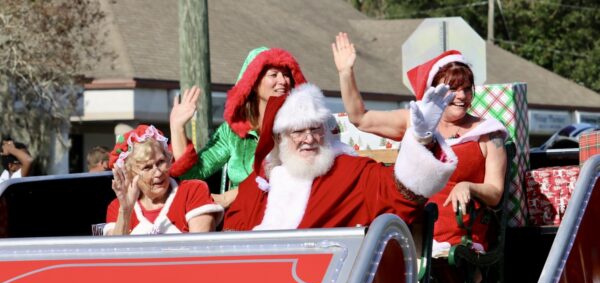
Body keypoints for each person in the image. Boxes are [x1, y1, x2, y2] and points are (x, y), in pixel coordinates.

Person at [331, 32, 507, 255]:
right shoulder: (415, 121)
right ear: (433, 90)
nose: (462, 96)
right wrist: (346, 72)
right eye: (452, 89)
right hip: (411, 226)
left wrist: (469, 186)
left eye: (467, 88)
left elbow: (495, 192)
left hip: (460, 236)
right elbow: (360, 118)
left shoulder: (488, 133)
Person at [223, 83, 457, 230]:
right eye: (298, 131)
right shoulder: (261, 186)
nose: (309, 138)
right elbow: (232, 239)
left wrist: (422, 140)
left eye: (315, 129)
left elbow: (402, 195)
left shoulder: (352, 172)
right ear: (280, 138)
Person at [169, 47, 307, 208]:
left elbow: (292, 178)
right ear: (253, 82)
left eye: (286, 75)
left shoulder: (301, 128)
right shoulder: (232, 132)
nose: (283, 81)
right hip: (240, 222)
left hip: (285, 215)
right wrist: (177, 127)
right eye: (274, 74)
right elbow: (193, 173)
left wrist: (229, 197)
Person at [103, 124, 223, 235]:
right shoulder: (118, 207)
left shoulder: (192, 191)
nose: (158, 172)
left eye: (161, 162)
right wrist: (126, 211)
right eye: (147, 167)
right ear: (130, 174)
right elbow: (114, 253)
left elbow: (201, 249)